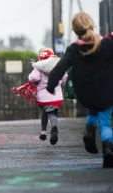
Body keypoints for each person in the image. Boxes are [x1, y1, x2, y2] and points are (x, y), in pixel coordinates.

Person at [47, 12, 113, 168]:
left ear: (74, 30)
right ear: (92, 24)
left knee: (93, 110)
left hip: (86, 94)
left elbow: (60, 67)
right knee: (105, 122)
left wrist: (51, 84)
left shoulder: (73, 49)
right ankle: (108, 149)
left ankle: (89, 131)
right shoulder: (108, 45)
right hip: (106, 93)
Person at [28, 48, 67, 145]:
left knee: (46, 113)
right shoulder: (58, 65)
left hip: (44, 96)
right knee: (53, 113)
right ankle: (48, 130)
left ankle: (46, 131)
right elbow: (65, 78)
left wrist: (33, 81)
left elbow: (34, 78)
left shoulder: (38, 67)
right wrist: (62, 85)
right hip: (56, 95)